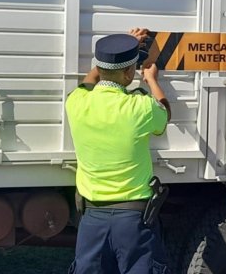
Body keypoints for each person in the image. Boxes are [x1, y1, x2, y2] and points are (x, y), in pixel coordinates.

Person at [65, 28, 171, 274]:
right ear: (129, 73)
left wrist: (113, 55)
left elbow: (88, 82)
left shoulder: (77, 102)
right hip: (133, 222)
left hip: (92, 221)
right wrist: (152, 81)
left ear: (99, 68)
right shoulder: (140, 107)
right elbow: (164, 115)